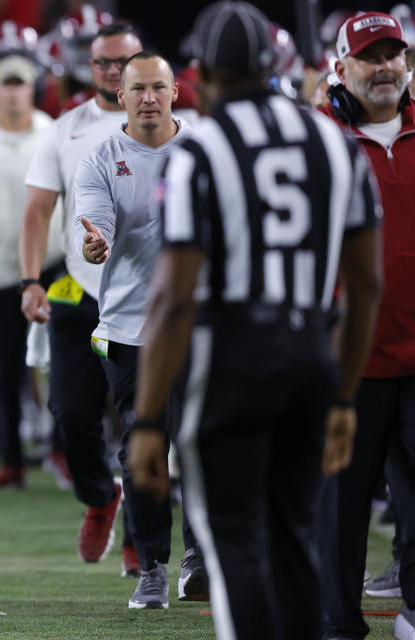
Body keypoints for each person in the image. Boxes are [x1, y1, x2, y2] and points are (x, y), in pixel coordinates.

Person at [126, 3, 382, 638]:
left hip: (232, 357)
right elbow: (367, 284)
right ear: (273, 65)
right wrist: (345, 395)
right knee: (296, 537)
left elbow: (175, 298)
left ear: (201, 72)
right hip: (312, 354)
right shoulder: (334, 140)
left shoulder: (200, 150)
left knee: (233, 538)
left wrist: (149, 417)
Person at [73, 51, 203, 609]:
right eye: (137, 89)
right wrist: (94, 243)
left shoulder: (205, 149)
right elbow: (95, 225)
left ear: (175, 90)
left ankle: (198, 559)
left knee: (201, 444)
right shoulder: (100, 157)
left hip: (200, 322)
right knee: (141, 452)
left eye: (157, 87)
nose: (148, 98)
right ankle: (151, 565)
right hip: (130, 326)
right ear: (119, 95)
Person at [20, 22, 139, 569]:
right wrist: (30, 281)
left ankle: (145, 538)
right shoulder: (65, 128)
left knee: (144, 423)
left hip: (146, 297)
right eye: (103, 63)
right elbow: (38, 210)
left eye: (123, 61)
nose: (112, 71)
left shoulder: (168, 125)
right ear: (87, 66)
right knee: (71, 412)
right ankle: (100, 497)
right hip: (79, 289)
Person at [313, 11, 415, 640]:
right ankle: (336, 624)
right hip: (343, 356)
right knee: (341, 510)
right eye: (369, 56)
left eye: (393, 55)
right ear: (341, 68)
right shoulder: (314, 138)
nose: (384, 67)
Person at [0, 54, 62, 489]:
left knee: (63, 360)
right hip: (2, 268)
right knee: (5, 365)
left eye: (20, 83)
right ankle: (13, 459)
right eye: (6, 83)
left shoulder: (52, 135)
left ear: (32, 88)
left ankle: (62, 450)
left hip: (56, 264)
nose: (13, 91)